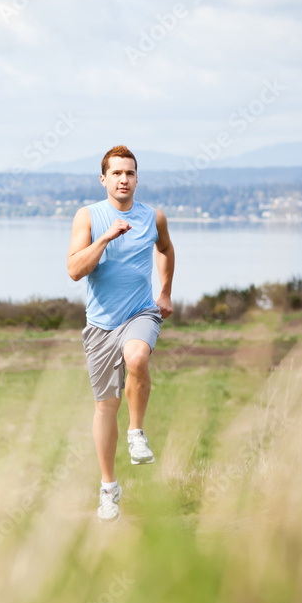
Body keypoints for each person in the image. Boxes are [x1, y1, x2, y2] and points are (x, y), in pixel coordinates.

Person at [66, 145, 175, 521]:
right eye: (116, 173)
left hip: (139, 312)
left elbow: (165, 249)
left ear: (137, 178)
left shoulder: (153, 217)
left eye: (129, 173)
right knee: (103, 408)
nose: (124, 179)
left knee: (138, 356)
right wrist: (106, 238)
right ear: (104, 179)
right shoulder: (89, 216)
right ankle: (109, 488)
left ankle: (136, 433)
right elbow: (75, 270)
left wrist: (164, 291)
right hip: (99, 325)